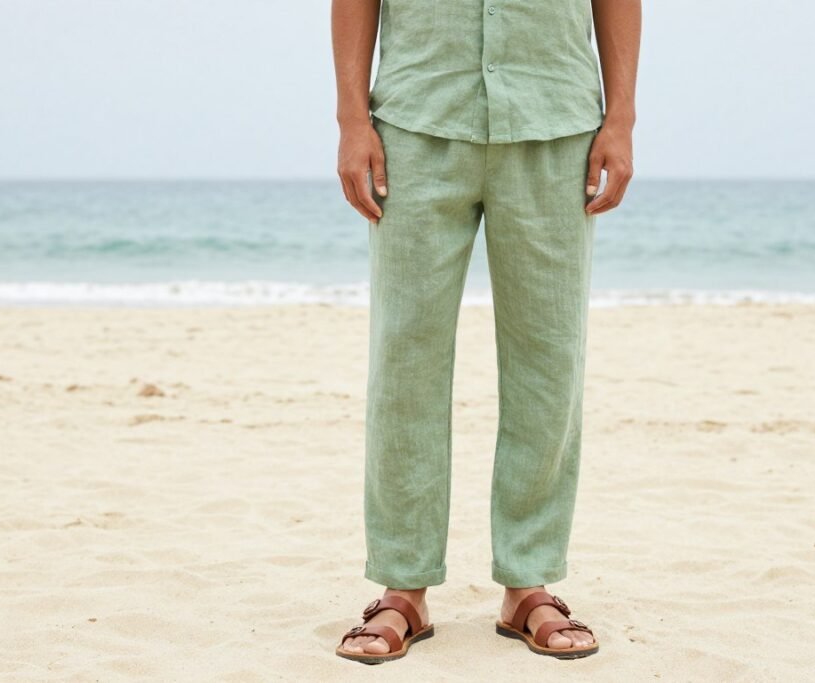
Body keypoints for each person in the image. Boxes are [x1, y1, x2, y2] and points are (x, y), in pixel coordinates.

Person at [331, 0, 640, 663]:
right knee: (404, 363)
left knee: (549, 361)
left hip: (556, 123)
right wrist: (352, 119)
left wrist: (622, 117)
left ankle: (528, 582)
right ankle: (402, 587)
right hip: (415, 122)